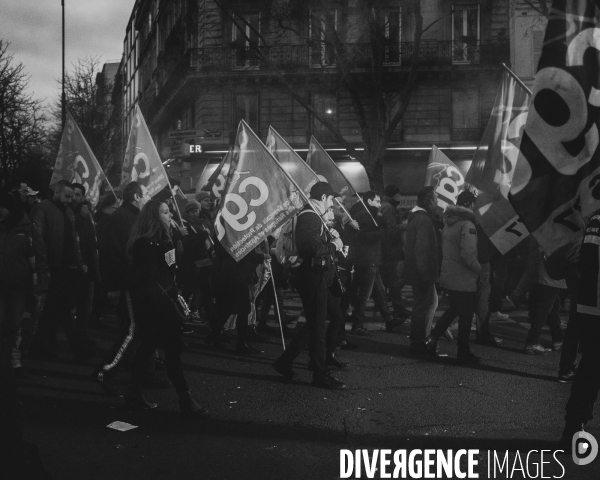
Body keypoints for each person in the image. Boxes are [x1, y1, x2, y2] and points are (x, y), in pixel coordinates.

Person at [124, 200, 207, 415]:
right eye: (165, 211)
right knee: (166, 347)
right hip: (155, 302)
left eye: (169, 211)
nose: (171, 215)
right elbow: (156, 272)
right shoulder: (147, 242)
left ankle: (136, 391)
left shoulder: (163, 239)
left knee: (153, 347)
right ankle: (184, 396)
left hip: (163, 298)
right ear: (154, 216)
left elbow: (170, 267)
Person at [272, 182, 346, 389]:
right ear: (323, 198)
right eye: (331, 199)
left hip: (316, 277)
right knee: (318, 328)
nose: (331, 204)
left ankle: (285, 362)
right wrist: (335, 245)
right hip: (312, 277)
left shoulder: (311, 216)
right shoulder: (310, 217)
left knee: (314, 324)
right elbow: (313, 249)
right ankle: (319, 373)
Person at [91, 181, 155, 395]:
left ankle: (142, 372)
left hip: (139, 282)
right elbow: (110, 254)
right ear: (136, 196)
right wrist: (113, 286)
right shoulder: (121, 219)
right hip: (128, 283)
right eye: (145, 193)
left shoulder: (135, 218)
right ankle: (105, 370)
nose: (148, 197)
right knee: (132, 331)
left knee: (142, 331)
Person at [28, 180, 93, 362]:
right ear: (56, 192)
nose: (69, 200)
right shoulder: (43, 209)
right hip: (53, 267)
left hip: (66, 268)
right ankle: (73, 348)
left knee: (58, 310)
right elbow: (37, 237)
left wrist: (80, 263)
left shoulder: (69, 211)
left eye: (72, 197)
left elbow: (74, 240)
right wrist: (43, 266)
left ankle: (43, 347)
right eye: (66, 196)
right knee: (58, 310)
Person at [424, 191, 481, 364]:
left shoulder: (449, 222)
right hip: (464, 277)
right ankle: (463, 351)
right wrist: (480, 270)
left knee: (454, 309)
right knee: (466, 316)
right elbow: (468, 254)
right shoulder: (467, 224)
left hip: (450, 275)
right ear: (470, 205)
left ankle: (432, 339)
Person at [560, 208, 600, 447]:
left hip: (590, 305)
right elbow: (588, 260)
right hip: (595, 305)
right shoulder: (597, 220)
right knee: (591, 369)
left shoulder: (595, 219)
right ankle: (574, 427)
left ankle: (574, 428)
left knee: (590, 368)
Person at [0, 192, 48, 378]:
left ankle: (12, 358)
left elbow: (40, 257)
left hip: (18, 286)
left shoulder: (28, 228)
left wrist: (42, 286)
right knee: (2, 321)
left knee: (13, 323)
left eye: (2, 207)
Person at [347, 191, 402, 335]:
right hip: (368, 259)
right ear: (370, 202)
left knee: (379, 291)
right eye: (377, 201)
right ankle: (358, 324)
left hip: (370, 259)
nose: (379, 204)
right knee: (366, 293)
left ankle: (389, 319)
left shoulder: (371, 215)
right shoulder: (365, 215)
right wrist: (381, 233)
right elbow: (361, 236)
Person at [403, 186, 441, 355]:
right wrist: (426, 275)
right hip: (422, 273)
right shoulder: (423, 220)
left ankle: (419, 339)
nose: (438, 202)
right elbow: (422, 250)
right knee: (424, 306)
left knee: (429, 303)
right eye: (436, 199)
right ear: (429, 201)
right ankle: (420, 341)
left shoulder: (417, 218)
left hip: (418, 271)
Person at [523, 244, 566, 355]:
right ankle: (532, 342)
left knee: (553, 306)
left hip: (545, 270)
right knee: (544, 308)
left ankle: (557, 339)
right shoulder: (559, 234)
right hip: (552, 273)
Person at [70, 183, 99, 346]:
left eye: (78, 195)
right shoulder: (70, 213)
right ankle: (76, 339)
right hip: (75, 267)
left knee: (85, 306)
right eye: (72, 194)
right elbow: (73, 234)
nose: (74, 198)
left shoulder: (88, 213)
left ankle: (81, 335)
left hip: (88, 265)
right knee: (71, 305)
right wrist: (80, 217)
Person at [380, 184, 411, 320]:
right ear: (393, 194)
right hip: (390, 249)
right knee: (393, 280)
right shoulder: (388, 207)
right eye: (398, 194)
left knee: (391, 279)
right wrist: (405, 226)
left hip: (390, 249)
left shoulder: (389, 206)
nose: (400, 196)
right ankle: (398, 308)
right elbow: (391, 229)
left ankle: (395, 307)